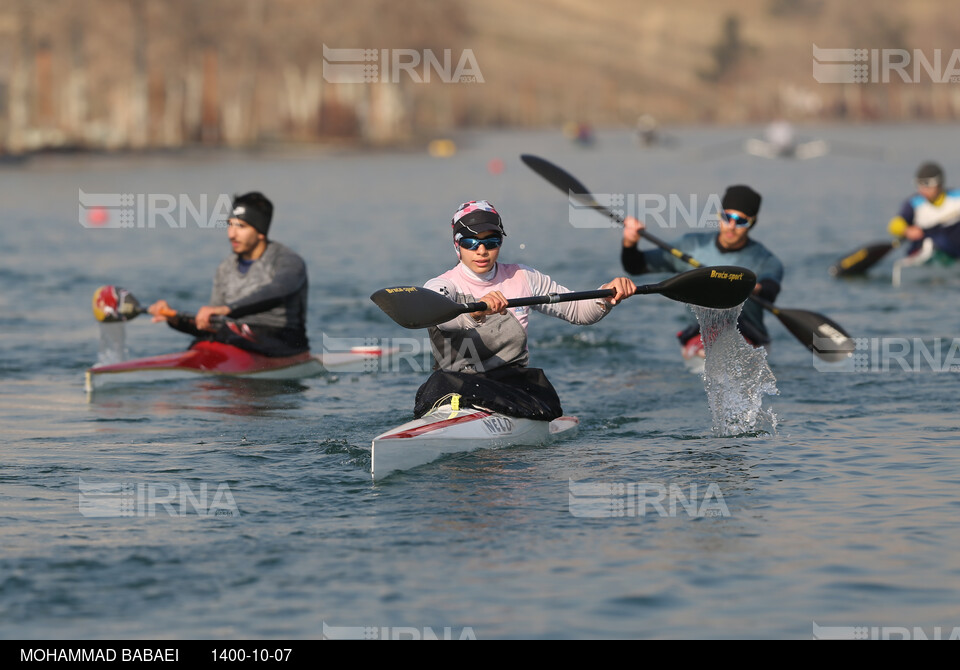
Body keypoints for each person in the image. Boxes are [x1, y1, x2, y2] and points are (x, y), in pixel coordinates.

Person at [414, 200, 636, 420]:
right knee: (442, 382)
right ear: (457, 245)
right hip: (456, 385)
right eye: (470, 242)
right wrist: (477, 313)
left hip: (512, 386)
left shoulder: (522, 278)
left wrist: (606, 295)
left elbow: (578, 312)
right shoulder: (442, 285)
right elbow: (441, 317)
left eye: (491, 242)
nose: (481, 251)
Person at [620, 185, 783, 358]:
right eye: (727, 217)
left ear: (752, 222)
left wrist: (751, 287)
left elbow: (769, 291)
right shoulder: (691, 245)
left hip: (749, 333)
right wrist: (630, 243)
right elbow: (635, 267)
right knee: (709, 338)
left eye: (741, 221)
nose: (731, 226)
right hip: (699, 334)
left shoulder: (766, 260)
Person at [148, 191, 310, 357]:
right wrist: (173, 319)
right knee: (213, 336)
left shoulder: (288, 261)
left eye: (241, 226)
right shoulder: (226, 267)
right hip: (235, 338)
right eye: (230, 224)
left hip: (284, 342)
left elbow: (279, 289)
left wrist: (227, 309)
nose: (231, 234)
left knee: (225, 335)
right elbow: (213, 324)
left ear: (261, 232)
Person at [887, 162, 960, 263]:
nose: (922, 190)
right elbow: (894, 225)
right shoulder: (914, 204)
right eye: (919, 185)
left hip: (952, 252)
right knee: (931, 242)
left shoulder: (957, 198)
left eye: (927, 185)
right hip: (922, 250)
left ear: (939, 184)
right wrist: (906, 230)